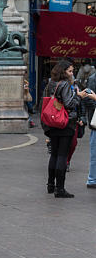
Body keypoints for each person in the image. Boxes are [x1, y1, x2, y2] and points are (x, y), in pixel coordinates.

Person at [42, 59, 79, 198]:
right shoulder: (64, 84)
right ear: (64, 71)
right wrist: (78, 97)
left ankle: (50, 185)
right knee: (62, 155)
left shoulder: (51, 83)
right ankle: (60, 189)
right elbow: (69, 103)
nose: (72, 73)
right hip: (64, 122)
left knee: (54, 154)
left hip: (52, 122)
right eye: (70, 71)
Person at [79, 81, 96, 188]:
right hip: (95, 123)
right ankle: (92, 179)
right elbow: (87, 101)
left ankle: (92, 179)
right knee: (94, 153)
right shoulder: (93, 78)